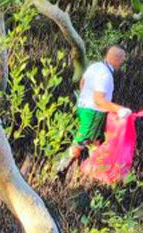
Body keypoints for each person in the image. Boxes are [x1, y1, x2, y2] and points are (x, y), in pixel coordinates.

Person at [56, 46, 132, 177]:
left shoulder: (95, 66)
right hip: (93, 112)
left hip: (84, 107)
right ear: (116, 58)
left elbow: (82, 82)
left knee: (95, 142)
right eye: (122, 59)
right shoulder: (105, 75)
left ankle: (95, 172)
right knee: (80, 141)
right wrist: (120, 109)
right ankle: (58, 170)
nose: (122, 62)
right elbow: (99, 100)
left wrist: (85, 97)